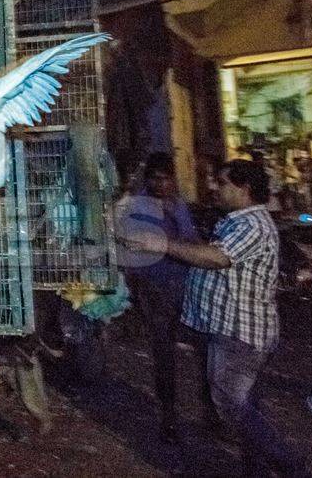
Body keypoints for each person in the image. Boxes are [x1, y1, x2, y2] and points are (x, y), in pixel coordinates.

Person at [124, 159, 311, 477]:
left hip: (240, 332)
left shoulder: (251, 224)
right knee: (246, 404)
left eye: (222, 182)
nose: (214, 187)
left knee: (228, 400)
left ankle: (290, 464)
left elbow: (217, 257)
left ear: (244, 188)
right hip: (226, 326)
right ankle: (256, 468)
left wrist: (163, 244)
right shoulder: (234, 221)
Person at [115, 152, 198, 443]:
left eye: (166, 178)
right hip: (154, 290)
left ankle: (209, 413)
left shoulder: (177, 204)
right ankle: (169, 417)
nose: (162, 184)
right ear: (148, 179)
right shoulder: (138, 206)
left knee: (200, 356)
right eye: (156, 178)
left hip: (183, 289)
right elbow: (130, 249)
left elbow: (189, 240)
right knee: (164, 358)